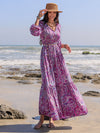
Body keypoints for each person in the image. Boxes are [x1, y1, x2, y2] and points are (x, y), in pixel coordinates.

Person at [30, 3, 88, 129]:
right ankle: (41, 119)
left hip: (58, 57)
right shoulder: (42, 25)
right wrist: (38, 17)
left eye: (54, 12)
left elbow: (57, 41)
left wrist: (64, 45)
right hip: (46, 56)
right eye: (49, 12)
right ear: (46, 13)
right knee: (47, 86)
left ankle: (52, 118)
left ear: (56, 14)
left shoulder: (58, 26)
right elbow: (34, 32)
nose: (52, 14)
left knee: (59, 84)